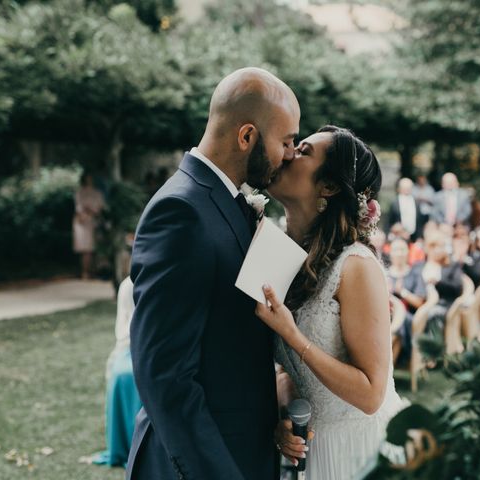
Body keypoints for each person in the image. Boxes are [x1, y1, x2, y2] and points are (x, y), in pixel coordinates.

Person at [127, 67, 300, 480]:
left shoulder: (225, 201)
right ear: (246, 137)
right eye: (286, 141)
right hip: (203, 462)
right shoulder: (181, 212)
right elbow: (165, 376)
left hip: (243, 448)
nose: (290, 154)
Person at [257, 126, 406, 479]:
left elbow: (371, 394)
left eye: (304, 151)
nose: (290, 153)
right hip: (317, 448)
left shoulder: (355, 266)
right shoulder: (276, 255)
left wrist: (294, 336)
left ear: (329, 186)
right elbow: (285, 368)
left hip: (361, 449)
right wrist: (285, 415)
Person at [92, 276, 142, 467]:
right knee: (123, 374)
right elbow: (123, 328)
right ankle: (125, 445)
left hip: (156, 346)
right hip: (129, 347)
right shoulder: (128, 285)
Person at [386, 237, 427, 366]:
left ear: (408, 252)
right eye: (396, 250)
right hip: (386, 315)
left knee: (399, 325)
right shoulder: (384, 274)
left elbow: (420, 302)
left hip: (408, 318)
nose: (399, 253)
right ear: (390, 253)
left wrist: (402, 291)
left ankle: (387, 368)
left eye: (402, 249)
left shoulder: (414, 274)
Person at [73, 172, 105, 279]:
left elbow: (100, 207)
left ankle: (92, 271)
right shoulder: (80, 192)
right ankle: (85, 272)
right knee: (85, 249)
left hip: (94, 221)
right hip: (83, 221)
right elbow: (79, 207)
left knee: (93, 249)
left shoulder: (97, 193)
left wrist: (92, 211)